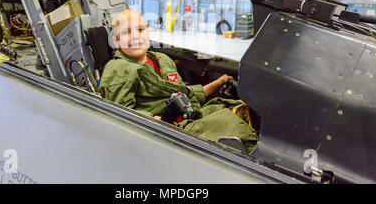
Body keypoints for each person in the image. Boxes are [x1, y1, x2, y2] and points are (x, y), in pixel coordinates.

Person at [99, 10, 258, 153]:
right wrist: (151, 120)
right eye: (127, 32)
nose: (135, 36)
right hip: (169, 131)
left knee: (235, 108)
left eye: (140, 30)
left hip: (189, 115)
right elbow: (118, 113)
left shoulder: (162, 60)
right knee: (233, 126)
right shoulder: (118, 68)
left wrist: (217, 83)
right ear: (116, 41)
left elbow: (184, 93)